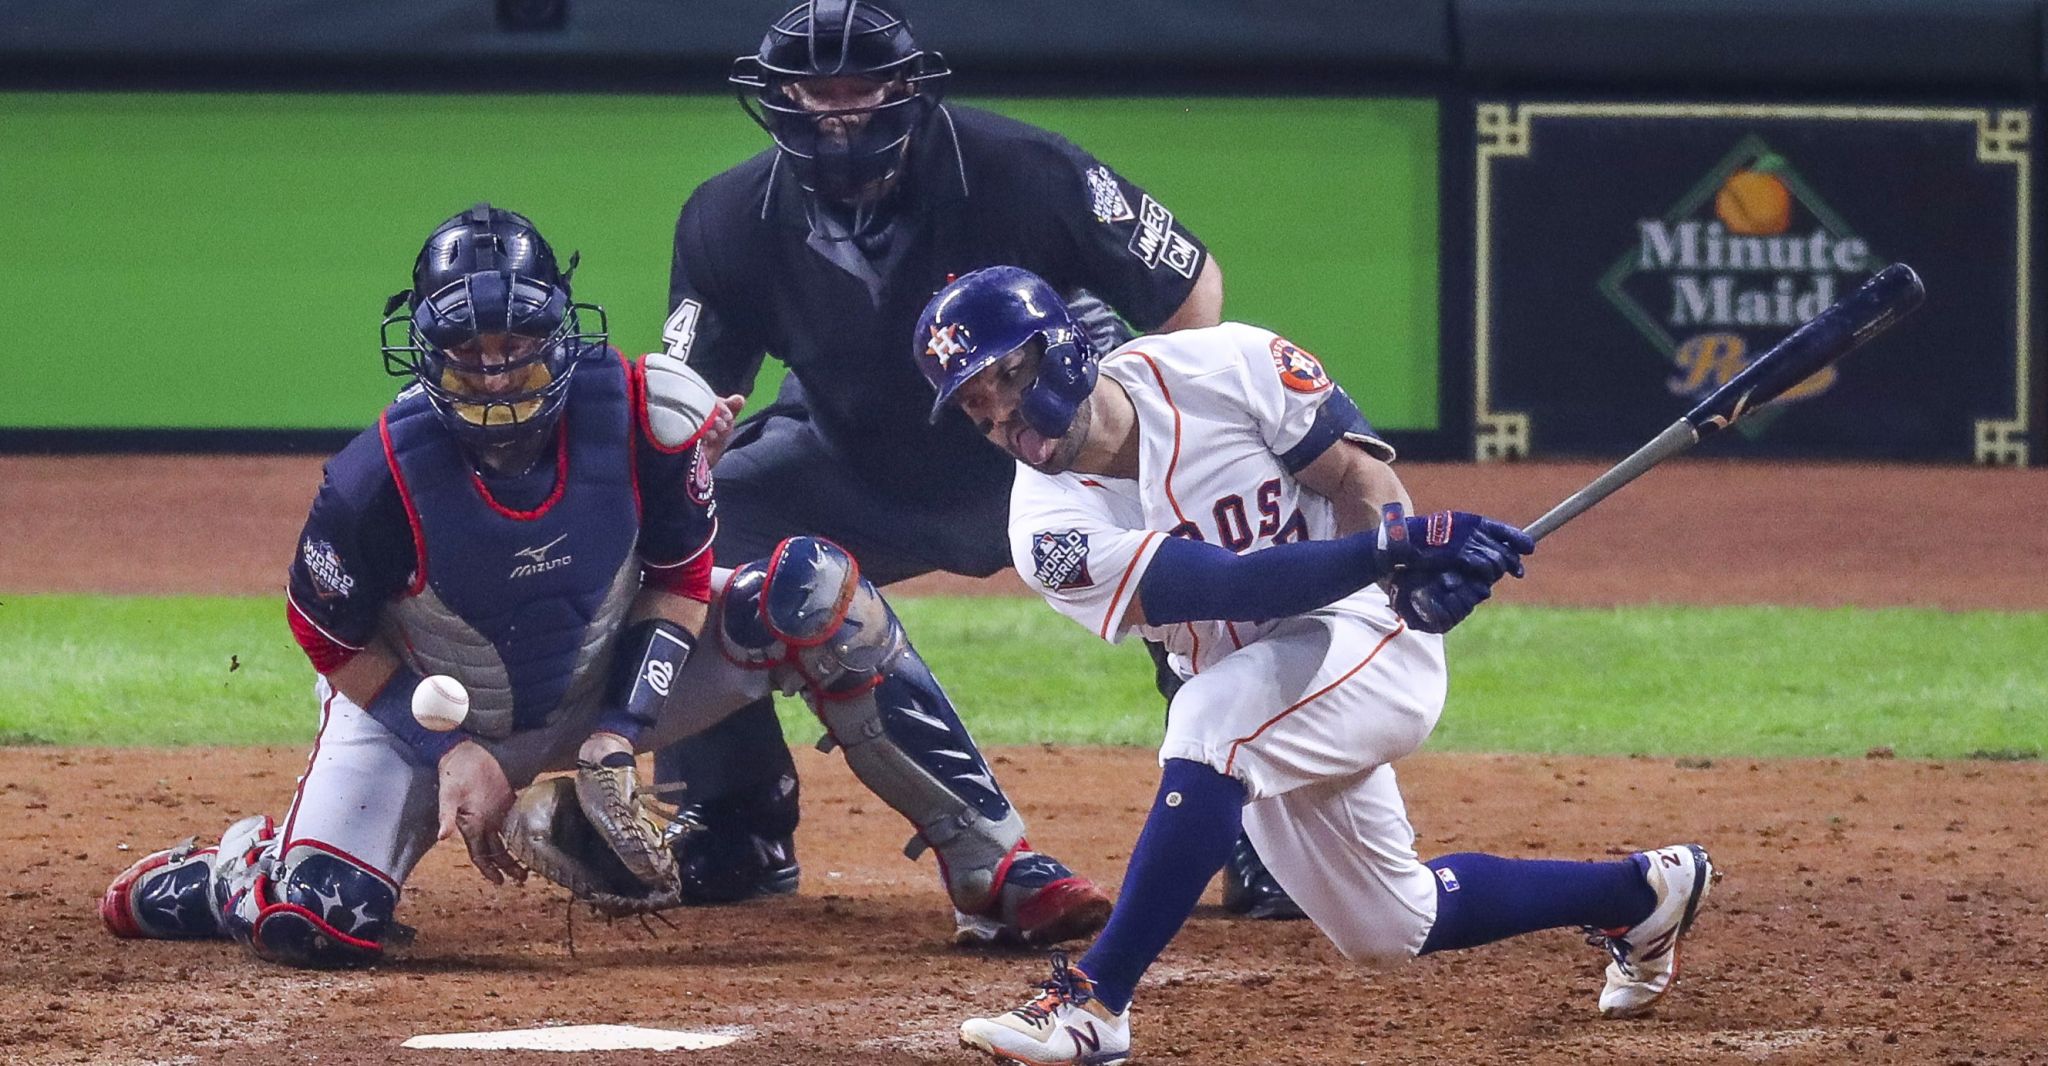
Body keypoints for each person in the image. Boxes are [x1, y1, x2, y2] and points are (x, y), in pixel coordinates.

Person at [96, 206, 1109, 966]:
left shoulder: (642, 412)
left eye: (515, 347)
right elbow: (326, 641)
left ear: (556, 334)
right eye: (469, 352)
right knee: (320, 924)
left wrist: (619, 728)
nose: (495, 376)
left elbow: (678, 581)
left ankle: (996, 868)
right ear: (429, 352)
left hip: (597, 679)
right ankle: (239, 869)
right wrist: (450, 750)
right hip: (429, 714)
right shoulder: (375, 478)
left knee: (817, 593)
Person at [916, 267, 1721, 1065]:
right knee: (1387, 927)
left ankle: (1093, 1006)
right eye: (972, 405)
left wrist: (1409, 573)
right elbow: (1228, 582)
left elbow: (1356, 477)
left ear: (1058, 349)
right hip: (1264, 691)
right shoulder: (1049, 529)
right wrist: (1399, 547)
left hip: (1363, 633)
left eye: (999, 379)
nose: (994, 416)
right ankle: (1643, 896)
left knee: (1207, 726)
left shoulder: (1226, 366)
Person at [655, 0, 1299, 926]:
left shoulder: (1023, 169)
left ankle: (1262, 831)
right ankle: (735, 822)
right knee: (692, 526)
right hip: (852, 468)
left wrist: (1159, 450)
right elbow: (694, 408)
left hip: (1046, 454)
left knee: (1200, 552)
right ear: (778, 98)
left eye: (861, 90)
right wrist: (668, 465)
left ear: (908, 88)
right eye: (815, 92)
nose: (838, 116)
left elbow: (1191, 290)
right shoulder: (727, 217)